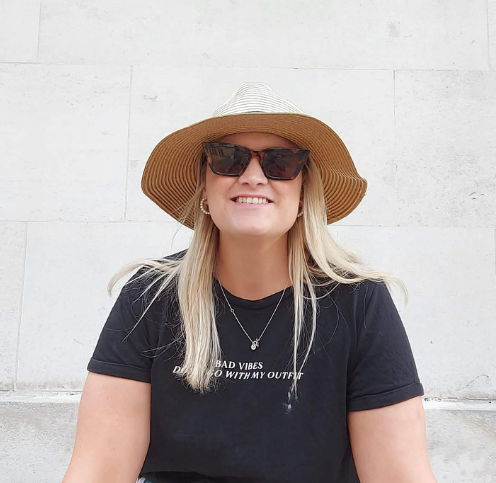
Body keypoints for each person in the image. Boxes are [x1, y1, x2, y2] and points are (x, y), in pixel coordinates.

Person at [62, 82, 437, 483]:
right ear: (204, 189)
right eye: (229, 158)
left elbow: (400, 475)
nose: (254, 177)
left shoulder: (358, 302)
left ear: (303, 193)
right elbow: (98, 471)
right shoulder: (151, 296)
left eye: (280, 162)